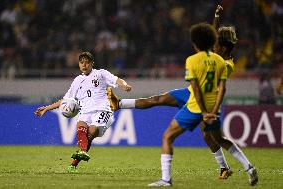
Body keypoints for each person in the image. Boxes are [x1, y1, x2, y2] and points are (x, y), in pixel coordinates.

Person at [108, 5, 235, 180]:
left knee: (208, 136)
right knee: (157, 99)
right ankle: (119, 103)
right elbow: (211, 38)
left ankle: (226, 167)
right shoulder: (216, 56)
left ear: (223, 46)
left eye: (217, 43)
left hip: (201, 101)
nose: (214, 45)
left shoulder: (226, 64)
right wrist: (216, 16)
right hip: (189, 93)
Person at [145, 23, 258, 187]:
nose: (215, 45)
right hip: (213, 107)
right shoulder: (220, 62)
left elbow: (196, 89)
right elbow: (222, 89)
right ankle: (248, 167)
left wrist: (204, 111)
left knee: (167, 137)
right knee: (220, 139)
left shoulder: (194, 60)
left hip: (196, 106)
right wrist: (213, 110)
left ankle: (166, 179)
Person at [34, 51, 132, 173]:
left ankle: (77, 159)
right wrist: (47, 108)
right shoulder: (77, 80)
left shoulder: (101, 74)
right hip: (85, 112)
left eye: (87, 62)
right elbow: (66, 100)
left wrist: (124, 85)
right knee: (80, 126)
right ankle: (75, 163)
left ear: (92, 63)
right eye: (81, 62)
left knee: (92, 131)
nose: (84, 65)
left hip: (102, 110)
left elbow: (117, 80)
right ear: (79, 64)